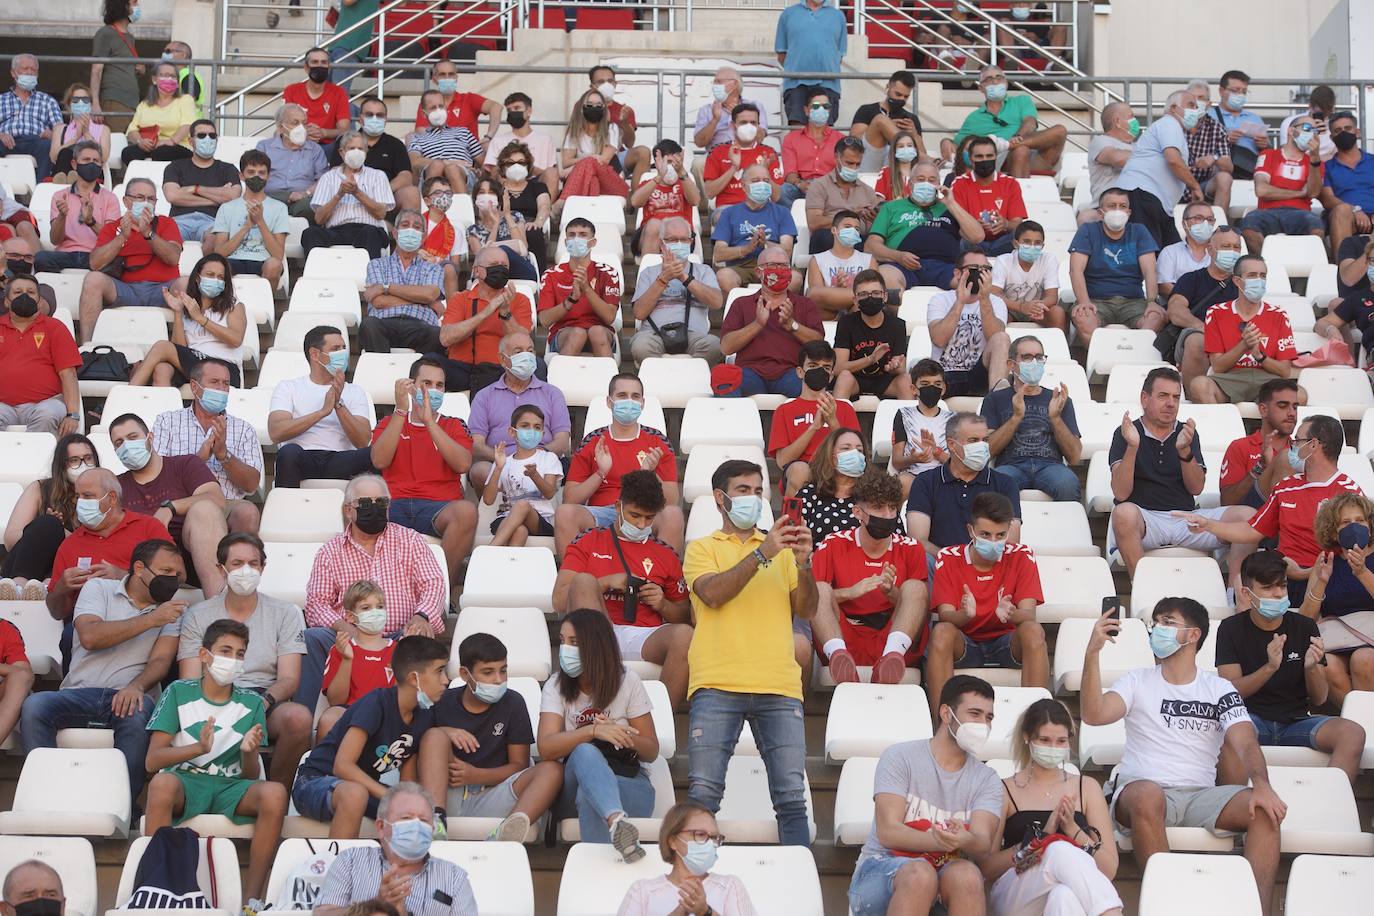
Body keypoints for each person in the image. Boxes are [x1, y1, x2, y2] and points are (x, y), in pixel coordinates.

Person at [1081, 598, 1287, 916]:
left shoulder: (1218, 688)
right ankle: (1165, 906)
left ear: (1193, 636)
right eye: (1156, 623)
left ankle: (1256, 910)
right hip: (1142, 790)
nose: (1157, 630)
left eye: (1167, 623)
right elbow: (1094, 715)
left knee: (1263, 811)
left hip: (1200, 795)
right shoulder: (1137, 680)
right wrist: (1092, 653)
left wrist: (1262, 784)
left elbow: (1246, 742)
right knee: (1147, 794)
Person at [684, 460, 815, 846]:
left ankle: (799, 893)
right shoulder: (701, 548)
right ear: (719, 498)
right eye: (743, 491)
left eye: (759, 491)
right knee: (703, 798)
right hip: (717, 682)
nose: (754, 499)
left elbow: (806, 609)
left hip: (779, 684)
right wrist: (763, 554)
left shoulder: (784, 550)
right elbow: (712, 594)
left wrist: (804, 566)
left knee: (792, 801)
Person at [21, 537, 184, 804]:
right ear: (140, 569)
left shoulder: (171, 610)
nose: (172, 580)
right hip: (79, 692)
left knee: (138, 710)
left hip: (130, 695)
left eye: (177, 575)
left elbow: (161, 661)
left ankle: (124, 807)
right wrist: (151, 619)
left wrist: (136, 686)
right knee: (34, 705)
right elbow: (90, 636)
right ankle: (43, 798)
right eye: (166, 572)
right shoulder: (99, 588)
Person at [146, 618, 286, 905]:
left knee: (274, 792)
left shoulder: (252, 703)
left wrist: (249, 753)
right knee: (161, 784)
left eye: (239, 654)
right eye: (225, 651)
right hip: (186, 783)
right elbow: (152, 760)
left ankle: (252, 901)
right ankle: (154, 890)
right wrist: (197, 748)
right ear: (203, 655)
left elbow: (249, 777)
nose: (232, 660)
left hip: (230, 787)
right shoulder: (178, 692)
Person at [846, 675, 1002, 916]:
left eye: (988, 717)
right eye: (975, 713)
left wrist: (965, 840)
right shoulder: (900, 757)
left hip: (945, 874)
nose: (983, 724)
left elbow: (982, 843)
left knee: (968, 875)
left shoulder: (987, 778)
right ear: (946, 714)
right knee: (920, 873)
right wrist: (942, 840)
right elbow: (888, 832)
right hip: (881, 869)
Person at [297, 475, 448, 711]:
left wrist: (422, 616)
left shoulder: (410, 540)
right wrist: (344, 627)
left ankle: (421, 720)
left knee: (422, 638)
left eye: (381, 503)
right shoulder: (330, 551)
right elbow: (317, 603)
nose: (375, 510)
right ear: (349, 510)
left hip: (401, 636)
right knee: (312, 638)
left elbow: (434, 583)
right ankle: (305, 722)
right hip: (350, 635)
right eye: (365, 504)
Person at [1216, 550, 1366, 784]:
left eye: (1282, 586)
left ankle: (1330, 803)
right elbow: (1230, 692)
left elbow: (1319, 699)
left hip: (1296, 721)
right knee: (1228, 731)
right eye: (1267, 588)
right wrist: (1269, 668)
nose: (1277, 594)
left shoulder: (1304, 626)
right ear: (1247, 592)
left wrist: (1312, 668)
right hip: (1250, 719)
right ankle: (1235, 807)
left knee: (1353, 733)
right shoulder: (1230, 629)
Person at [176, 533, 309, 788]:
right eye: (237, 563)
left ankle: (276, 794)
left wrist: (264, 701)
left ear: (263, 567)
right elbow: (189, 679)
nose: (246, 570)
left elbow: (289, 678)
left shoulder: (285, 613)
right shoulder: (198, 615)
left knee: (299, 718)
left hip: (263, 699)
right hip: (212, 699)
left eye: (253, 563)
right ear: (221, 568)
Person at [1183, 415, 1360, 602]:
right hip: (1281, 579)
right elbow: (1252, 530)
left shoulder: (1349, 495)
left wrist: (1304, 573)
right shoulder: (1286, 486)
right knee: (1245, 593)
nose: (1292, 445)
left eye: (1297, 440)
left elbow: (1356, 553)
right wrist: (1209, 525)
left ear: (1313, 445)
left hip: (1327, 580)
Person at [556, 470, 694, 709]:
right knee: (584, 581)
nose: (641, 524)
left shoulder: (664, 553)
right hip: (598, 630)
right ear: (618, 506)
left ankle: (658, 722)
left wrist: (662, 604)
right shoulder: (588, 540)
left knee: (685, 636)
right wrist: (606, 583)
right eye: (635, 515)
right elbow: (559, 599)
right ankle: (598, 707)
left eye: (649, 518)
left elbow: (685, 614)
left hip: (644, 634)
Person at [291, 637, 448, 838]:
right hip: (314, 783)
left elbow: (406, 778)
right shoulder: (376, 703)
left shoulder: (424, 716)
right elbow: (343, 766)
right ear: (413, 678)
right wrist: (390, 796)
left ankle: (394, 868)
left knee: (412, 812)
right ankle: (339, 865)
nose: (445, 680)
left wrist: (408, 803)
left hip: (359, 789)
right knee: (356, 794)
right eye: (439, 671)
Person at [982, 699, 1123, 916]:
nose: (1053, 748)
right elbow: (987, 867)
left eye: (1060, 741)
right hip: (1016, 892)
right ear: (1027, 736)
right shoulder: (1004, 789)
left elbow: (1109, 869)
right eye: (1045, 740)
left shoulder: (1086, 787)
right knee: (1057, 848)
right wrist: (1041, 838)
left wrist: (1073, 831)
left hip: (1068, 895)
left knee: (1063, 896)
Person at [538, 608, 659, 857]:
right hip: (570, 789)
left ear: (595, 646)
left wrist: (620, 733)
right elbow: (546, 747)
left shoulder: (628, 681)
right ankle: (616, 822)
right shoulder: (555, 685)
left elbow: (651, 750)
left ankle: (610, 841)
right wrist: (594, 731)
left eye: (574, 642)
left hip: (629, 784)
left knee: (591, 793)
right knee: (585, 751)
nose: (565, 650)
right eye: (562, 641)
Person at [418, 632, 561, 842]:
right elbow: (420, 749)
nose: (498, 680)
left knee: (552, 770)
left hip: (495, 791)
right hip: (446, 793)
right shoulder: (442, 700)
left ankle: (505, 832)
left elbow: (519, 765)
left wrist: (474, 775)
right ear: (465, 674)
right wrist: (444, 732)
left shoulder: (513, 702)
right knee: (433, 736)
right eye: (488, 672)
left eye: (503, 671)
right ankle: (435, 822)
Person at [1107, 367, 1239, 576]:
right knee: (1123, 513)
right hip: (1145, 520)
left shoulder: (1186, 433)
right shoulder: (1125, 432)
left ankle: (1234, 593)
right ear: (1144, 398)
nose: (1171, 403)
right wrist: (1132, 447)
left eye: (1176, 397)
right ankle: (1143, 588)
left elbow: (1196, 488)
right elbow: (1121, 493)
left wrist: (1184, 451)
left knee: (1246, 517)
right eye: (1163, 396)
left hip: (1185, 519)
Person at [369, 357, 478, 596]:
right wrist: (401, 410)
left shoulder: (454, 425)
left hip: (438, 508)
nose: (434, 390)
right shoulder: (389, 422)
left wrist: (430, 422)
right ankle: (371, 594)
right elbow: (379, 460)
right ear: (411, 386)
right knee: (357, 507)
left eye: (440, 385)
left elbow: (462, 464)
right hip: (393, 504)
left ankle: (441, 594)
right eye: (427, 383)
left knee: (467, 511)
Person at [928, 492, 1047, 708]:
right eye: (985, 534)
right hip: (965, 643)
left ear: (1009, 531)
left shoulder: (1022, 554)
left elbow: (1029, 615)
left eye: (1000, 535)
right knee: (941, 632)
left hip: (1007, 643)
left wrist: (1011, 613)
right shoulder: (948, 556)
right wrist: (965, 615)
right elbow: (945, 615)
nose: (993, 542)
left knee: (1033, 631)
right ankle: (942, 724)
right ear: (970, 530)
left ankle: (1036, 722)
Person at [812, 467, 929, 685]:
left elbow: (918, 608)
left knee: (915, 587)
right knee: (819, 589)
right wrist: (850, 592)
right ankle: (839, 658)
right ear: (857, 513)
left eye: (893, 508)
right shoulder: (833, 543)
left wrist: (892, 593)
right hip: (844, 635)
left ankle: (890, 659)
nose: (887, 515)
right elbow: (811, 601)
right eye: (878, 507)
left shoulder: (911, 548)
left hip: (892, 635)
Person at [556, 374, 683, 557]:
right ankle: (571, 580)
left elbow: (671, 501)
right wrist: (601, 472)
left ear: (643, 402)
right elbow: (570, 499)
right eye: (622, 396)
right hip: (601, 514)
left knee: (673, 515)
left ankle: (662, 581)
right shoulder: (593, 441)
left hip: (643, 513)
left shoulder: (658, 441)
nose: (629, 401)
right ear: (609, 402)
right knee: (564, 513)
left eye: (635, 396)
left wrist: (649, 474)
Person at [108, 413, 228, 598]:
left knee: (205, 509)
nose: (126, 446)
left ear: (150, 437)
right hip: (144, 564)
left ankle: (217, 605)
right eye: (119, 443)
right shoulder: (116, 486)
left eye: (132, 437)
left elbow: (216, 499)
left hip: (193, 553)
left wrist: (170, 508)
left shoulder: (184, 464)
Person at [313, 782, 479, 916]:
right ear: (381, 827)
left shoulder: (454, 878)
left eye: (423, 820)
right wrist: (375, 906)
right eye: (406, 818)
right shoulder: (350, 861)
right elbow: (322, 914)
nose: (416, 826)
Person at [45, 468, 172, 628]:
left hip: (146, 618)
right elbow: (56, 613)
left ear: (112, 498)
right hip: (89, 625)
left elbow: (174, 577)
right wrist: (62, 588)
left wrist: (123, 577)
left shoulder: (148, 527)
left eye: (88, 496)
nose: (80, 502)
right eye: (78, 496)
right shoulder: (69, 545)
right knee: (70, 634)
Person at [151, 357, 264, 533]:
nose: (221, 389)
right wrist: (196, 461)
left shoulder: (244, 429)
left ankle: (238, 559)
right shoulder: (167, 422)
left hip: (227, 504)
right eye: (214, 382)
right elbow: (156, 475)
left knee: (247, 512)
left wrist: (224, 455)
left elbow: (251, 485)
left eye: (225, 384)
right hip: (180, 502)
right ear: (195, 387)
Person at [267, 325, 376, 488]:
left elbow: (362, 440)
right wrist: (322, 412)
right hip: (303, 457)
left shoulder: (355, 391)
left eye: (344, 348)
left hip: (341, 459)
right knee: (288, 452)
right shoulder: (289, 387)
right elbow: (276, 432)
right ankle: (287, 508)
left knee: (374, 455)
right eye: (335, 349)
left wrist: (339, 405)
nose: (343, 353)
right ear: (315, 354)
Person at [76, 178, 183, 343]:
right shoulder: (113, 228)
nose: (146, 203)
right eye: (140, 198)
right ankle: (86, 347)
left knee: (186, 283)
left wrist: (148, 233)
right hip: (126, 290)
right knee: (92, 279)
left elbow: (173, 257)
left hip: (163, 291)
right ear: (126, 201)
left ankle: (183, 348)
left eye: (151, 199)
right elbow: (95, 264)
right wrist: (121, 238)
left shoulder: (167, 223)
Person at [465, 331, 572, 491]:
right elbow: (477, 445)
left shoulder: (552, 393)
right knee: (480, 471)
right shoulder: (485, 396)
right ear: (502, 359)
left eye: (530, 351)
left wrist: (538, 456)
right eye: (518, 352)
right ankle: (496, 514)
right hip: (500, 462)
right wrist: (507, 460)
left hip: (542, 461)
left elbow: (562, 441)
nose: (527, 356)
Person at [982, 335, 1081, 501]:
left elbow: (1074, 456)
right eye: (1027, 357)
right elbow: (987, 451)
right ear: (1011, 364)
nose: (1034, 362)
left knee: (1068, 484)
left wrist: (1055, 418)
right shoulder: (994, 399)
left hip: (1051, 465)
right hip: (1011, 466)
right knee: (996, 483)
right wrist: (1016, 417)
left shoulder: (1059, 399)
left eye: (1039, 357)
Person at [907, 412, 1023, 551]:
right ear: (951, 444)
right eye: (973, 440)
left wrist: (971, 566)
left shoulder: (1005, 484)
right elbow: (918, 541)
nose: (982, 446)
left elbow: (1011, 542)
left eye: (985, 440)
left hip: (990, 564)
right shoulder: (925, 482)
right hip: (939, 563)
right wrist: (954, 562)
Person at [718, 246, 824, 397]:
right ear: (758, 272)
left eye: (784, 266)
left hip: (792, 373)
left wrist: (792, 325)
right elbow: (726, 347)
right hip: (751, 373)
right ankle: (734, 421)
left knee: (811, 384)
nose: (779, 270)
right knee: (725, 379)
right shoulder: (741, 303)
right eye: (773, 265)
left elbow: (819, 345)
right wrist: (757, 324)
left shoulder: (805, 304)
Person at [2, 434, 100, 596]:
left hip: (72, 569)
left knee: (54, 529)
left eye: (88, 458)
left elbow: (98, 545)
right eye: (74, 460)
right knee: (48, 524)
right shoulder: (40, 488)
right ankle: (18, 587)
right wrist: (44, 531)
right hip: (25, 567)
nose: (83, 465)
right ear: (61, 465)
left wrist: (62, 533)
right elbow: (11, 539)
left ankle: (46, 587)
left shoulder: (104, 494)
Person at [1192, 255, 1298, 405]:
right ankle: (1219, 428)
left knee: (1300, 395)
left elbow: (1285, 371)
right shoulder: (1216, 312)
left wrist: (1259, 355)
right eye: (1252, 275)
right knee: (1199, 385)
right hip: (1230, 379)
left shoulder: (1278, 315)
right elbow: (1218, 366)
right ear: (1237, 281)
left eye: (1263, 276)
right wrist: (1244, 345)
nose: (1259, 280)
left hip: (1268, 381)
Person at [865, 159, 985, 290]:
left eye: (932, 180)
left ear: (939, 185)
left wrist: (951, 204)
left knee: (972, 282)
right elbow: (871, 246)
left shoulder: (949, 208)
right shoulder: (891, 207)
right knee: (885, 278)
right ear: (910, 184)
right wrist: (898, 256)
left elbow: (977, 236)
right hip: (901, 266)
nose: (926, 183)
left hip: (946, 267)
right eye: (920, 179)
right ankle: (894, 311)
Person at [129, 254, 247, 388]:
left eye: (220, 277)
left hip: (224, 367)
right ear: (197, 278)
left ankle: (126, 398)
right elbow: (180, 350)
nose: (216, 280)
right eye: (210, 275)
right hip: (195, 365)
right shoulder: (190, 307)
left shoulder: (234, 306)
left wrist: (201, 319)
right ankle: (164, 409)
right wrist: (178, 312)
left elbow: (236, 339)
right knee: (162, 369)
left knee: (162, 346)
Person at [620, 800, 757, 914]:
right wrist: (681, 911)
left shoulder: (729, 886)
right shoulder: (642, 891)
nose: (710, 843)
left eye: (714, 837)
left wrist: (706, 912)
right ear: (673, 841)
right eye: (700, 834)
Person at [1303, 493, 1374, 704]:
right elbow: (1306, 618)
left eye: (1360, 520)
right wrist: (1321, 581)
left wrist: (1361, 572)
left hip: (1370, 640)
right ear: (1334, 531)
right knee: (1328, 666)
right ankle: (1357, 726)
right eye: (1345, 522)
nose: (1354, 527)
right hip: (1339, 639)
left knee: (1364, 660)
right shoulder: (1327, 560)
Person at [1068, 187, 1163, 344]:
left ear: (1129, 212)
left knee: (1155, 318)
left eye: (1123, 206)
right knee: (1083, 318)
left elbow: (1150, 271)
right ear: (1100, 212)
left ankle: (1135, 361)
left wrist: (1152, 301)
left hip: (1134, 301)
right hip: (1096, 300)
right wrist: (1084, 301)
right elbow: (1075, 270)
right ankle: (1099, 364)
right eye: (1112, 206)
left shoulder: (1139, 231)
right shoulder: (1088, 231)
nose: (1118, 210)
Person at [1115, 89, 1207, 248]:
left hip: (1156, 202)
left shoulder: (1173, 128)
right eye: (1190, 105)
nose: (1195, 110)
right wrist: (1195, 186)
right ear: (1173, 108)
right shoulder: (1169, 123)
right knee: (1149, 254)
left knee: (1171, 253)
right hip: (1142, 195)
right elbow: (1173, 159)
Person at [768, 341, 860, 496]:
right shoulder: (784, 410)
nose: (819, 371)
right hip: (800, 468)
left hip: (837, 469)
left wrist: (833, 423)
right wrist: (814, 427)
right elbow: (783, 461)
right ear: (800, 372)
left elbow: (856, 457)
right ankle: (792, 521)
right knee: (800, 470)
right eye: (812, 366)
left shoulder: (844, 408)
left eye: (826, 368)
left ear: (831, 376)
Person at [629, 216, 723, 366]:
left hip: (694, 334)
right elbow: (639, 313)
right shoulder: (648, 272)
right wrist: (663, 279)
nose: (679, 244)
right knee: (641, 346)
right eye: (672, 240)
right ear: (661, 243)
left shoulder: (703, 270)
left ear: (691, 242)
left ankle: (688, 375)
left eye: (684, 239)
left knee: (715, 346)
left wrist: (684, 277)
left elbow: (717, 302)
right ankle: (663, 379)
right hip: (655, 333)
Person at [438, 246, 532, 393]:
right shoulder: (460, 299)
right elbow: (445, 338)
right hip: (461, 368)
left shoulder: (520, 300)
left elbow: (522, 344)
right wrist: (485, 313)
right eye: (494, 265)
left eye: (505, 266)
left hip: (501, 370)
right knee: (427, 362)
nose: (500, 269)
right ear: (476, 271)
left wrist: (505, 312)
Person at [948, 66, 1067, 179]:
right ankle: (1019, 195)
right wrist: (945, 142)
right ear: (981, 88)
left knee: (1060, 130)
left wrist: (1017, 137)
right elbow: (958, 144)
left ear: (1006, 83)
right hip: (1001, 161)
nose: (995, 82)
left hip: (1033, 155)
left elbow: (1030, 122)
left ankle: (1006, 145)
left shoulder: (1021, 100)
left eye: (999, 77)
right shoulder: (974, 118)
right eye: (989, 79)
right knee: (1021, 150)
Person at [0, 275, 80, 435]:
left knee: (47, 414)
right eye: (17, 292)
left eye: (30, 292)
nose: (24, 296)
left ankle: (35, 459)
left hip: (46, 403)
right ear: (7, 301)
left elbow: (68, 374)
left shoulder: (55, 327)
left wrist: (73, 414)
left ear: (39, 300)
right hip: (2, 405)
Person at [1166, 225, 1244, 387]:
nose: (1232, 252)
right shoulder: (1191, 279)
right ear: (1210, 250)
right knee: (1198, 341)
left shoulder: (1245, 284)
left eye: (1236, 247)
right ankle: (1192, 397)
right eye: (1225, 247)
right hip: (1199, 332)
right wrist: (1202, 326)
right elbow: (1175, 310)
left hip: (1236, 335)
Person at [926, 250, 1011, 396]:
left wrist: (984, 299)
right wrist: (960, 301)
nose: (980, 274)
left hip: (980, 374)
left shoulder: (996, 303)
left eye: (986, 269)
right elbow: (939, 340)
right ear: (958, 274)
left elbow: (995, 338)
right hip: (944, 375)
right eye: (974, 269)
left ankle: (998, 401)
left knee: (1002, 338)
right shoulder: (940, 300)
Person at [319, 581, 396, 740]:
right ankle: (323, 764)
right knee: (329, 719)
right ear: (350, 617)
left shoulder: (399, 650)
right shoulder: (340, 649)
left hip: (387, 717)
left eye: (380, 607)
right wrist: (347, 659)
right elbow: (335, 701)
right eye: (366, 608)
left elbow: (402, 696)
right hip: (349, 714)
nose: (375, 613)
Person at [359, 211, 445, 354]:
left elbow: (429, 294)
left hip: (420, 325)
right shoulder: (377, 264)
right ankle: (382, 372)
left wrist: (386, 287)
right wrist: (422, 301)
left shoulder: (433, 268)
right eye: (405, 225)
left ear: (424, 237)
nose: (411, 230)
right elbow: (379, 301)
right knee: (368, 325)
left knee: (437, 334)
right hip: (384, 323)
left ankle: (419, 374)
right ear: (395, 233)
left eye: (416, 227)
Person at [1241, 114, 1326, 256]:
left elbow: (1313, 192)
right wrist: (1299, 193)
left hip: (1301, 214)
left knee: (1316, 227)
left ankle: (1301, 268)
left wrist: (1315, 159)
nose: (1311, 133)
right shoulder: (1268, 154)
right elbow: (1261, 190)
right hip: (1267, 212)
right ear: (1291, 131)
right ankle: (1268, 265)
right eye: (1306, 128)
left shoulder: (1316, 163)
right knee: (1249, 225)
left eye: (1315, 131)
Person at [304, 130, 395, 259]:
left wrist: (357, 193)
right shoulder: (328, 178)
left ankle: (371, 277)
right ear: (342, 152)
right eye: (352, 148)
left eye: (360, 149)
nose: (356, 152)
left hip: (368, 229)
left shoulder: (378, 176)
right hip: (336, 230)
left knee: (370, 233)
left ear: (366, 152)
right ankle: (318, 277)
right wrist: (338, 195)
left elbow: (381, 213)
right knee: (311, 233)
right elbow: (319, 219)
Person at [205, 150, 288, 289]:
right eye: (251, 172)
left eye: (262, 173)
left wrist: (260, 221)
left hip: (263, 260)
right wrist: (246, 227)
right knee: (217, 266)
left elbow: (278, 255)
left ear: (269, 176)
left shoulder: (279, 208)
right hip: (233, 259)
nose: (257, 176)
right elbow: (219, 252)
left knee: (274, 265)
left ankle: (265, 306)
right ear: (241, 175)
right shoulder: (227, 208)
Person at [537, 219, 621, 358]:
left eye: (583, 235)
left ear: (593, 242)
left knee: (597, 332)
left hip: (601, 332)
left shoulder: (608, 272)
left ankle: (609, 379)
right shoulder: (551, 274)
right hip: (564, 332)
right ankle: (560, 379)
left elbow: (609, 317)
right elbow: (545, 320)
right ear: (565, 242)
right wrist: (571, 300)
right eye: (572, 235)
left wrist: (586, 289)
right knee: (578, 333)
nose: (576, 239)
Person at [711, 162, 798, 295]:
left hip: (774, 266)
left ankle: (775, 311)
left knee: (795, 279)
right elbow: (718, 254)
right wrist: (746, 249)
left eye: (766, 181)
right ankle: (743, 310)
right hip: (740, 266)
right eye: (756, 181)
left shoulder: (783, 212)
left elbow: (787, 251)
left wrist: (765, 245)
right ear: (744, 186)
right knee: (724, 277)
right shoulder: (729, 213)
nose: (762, 185)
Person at [481, 404, 562, 547]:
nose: (531, 431)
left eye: (537, 427)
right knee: (520, 531)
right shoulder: (504, 461)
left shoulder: (549, 458)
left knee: (522, 505)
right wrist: (498, 468)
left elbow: (549, 493)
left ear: (542, 433)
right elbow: (488, 500)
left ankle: (488, 551)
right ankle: (508, 568)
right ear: (512, 432)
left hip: (540, 521)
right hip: (506, 519)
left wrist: (534, 475)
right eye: (525, 426)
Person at [1218, 378, 1299, 509]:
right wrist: (1260, 466)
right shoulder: (1240, 447)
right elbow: (1227, 502)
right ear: (1263, 410)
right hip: (1251, 521)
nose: (1291, 413)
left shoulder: (1301, 450)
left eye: (1295, 407)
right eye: (1283, 406)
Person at [833, 270, 913, 401]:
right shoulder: (846, 322)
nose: (870, 298)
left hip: (885, 380)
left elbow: (901, 369)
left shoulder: (897, 325)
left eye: (876, 293)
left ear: (885, 296)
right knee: (844, 378)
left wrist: (894, 367)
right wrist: (871, 359)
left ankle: (911, 421)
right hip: (855, 379)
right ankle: (836, 420)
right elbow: (839, 368)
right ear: (855, 300)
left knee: (905, 380)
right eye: (864, 294)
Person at [34, 139, 115, 270]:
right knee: (41, 258)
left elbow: (111, 239)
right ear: (74, 164)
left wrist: (91, 222)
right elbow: (55, 240)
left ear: (101, 165)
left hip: (96, 256)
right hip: (66, 254)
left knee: (116, 263)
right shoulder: (60, 196)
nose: (91, 164)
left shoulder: (110, 198)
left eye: (95, 161)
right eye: (86, 160)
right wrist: (62, 216)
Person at [161, 119, 242, 242]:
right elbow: (172, 196)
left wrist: (195, 189)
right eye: (201, 135)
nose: (207, 139)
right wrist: (216, 199)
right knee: (166, 241)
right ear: (190, 141)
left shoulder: (228, 169)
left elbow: (233, 198)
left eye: (212, 135)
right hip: (179, 221)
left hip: (213, 222)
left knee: (215, 238)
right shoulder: (175, 167)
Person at [336, 97, 420, 212]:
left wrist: (382, 191)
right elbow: (335, 171)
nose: (374, 118)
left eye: (379, 115)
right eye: (369, 115)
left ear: (385, 119)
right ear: (361, 119)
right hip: (349, 196)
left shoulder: (395, 144)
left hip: (386, 199)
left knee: (411, 193)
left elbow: (406, 176)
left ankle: (405, 228)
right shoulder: (345, 141)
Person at [803, 137, 883, 255]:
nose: (854, 168)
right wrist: (851, 216)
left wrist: (873, 218)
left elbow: (873, 231)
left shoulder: (867, 191)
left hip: (859, 241)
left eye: (858, 164)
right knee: (823, 236)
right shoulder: (819, 186)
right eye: (849, 163)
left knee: (875, 242)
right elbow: (814, 223)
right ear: (836, 158)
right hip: (829, 239)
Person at [951, 135, 1028, 256]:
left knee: (1025, 231)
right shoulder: (959, 183)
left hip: (1003, 241)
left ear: (996, 157)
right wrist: (975, 226)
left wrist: (1005, 224)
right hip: (972, 242)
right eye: (979, 156)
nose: (985, 160)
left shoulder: (1010, 183)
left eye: (989, 156)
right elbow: (958, 224)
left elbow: (1017, 223)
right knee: (963, 235)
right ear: (971, 159)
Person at [774, 0, 847, 126]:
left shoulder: (838, 16)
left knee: (825, 132)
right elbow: (781, 53)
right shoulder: (788, 14)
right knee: (797, 131)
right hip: (796, 84)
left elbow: (839, 55)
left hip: (829, 84)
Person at [702, 105, 783, 212]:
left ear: (758, 126)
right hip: (728, 209)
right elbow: (709, 193)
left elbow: (776, 197)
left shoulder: (768, 153)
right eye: (743, 122)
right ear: (732, 125)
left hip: (761, 209)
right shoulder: (718, 151)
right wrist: (734, 168)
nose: (749, 127)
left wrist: (764, 173)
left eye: (753, 123)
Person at [256, 105, 328, 220]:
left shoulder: (315, 149)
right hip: (271, 198)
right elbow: (256, 176)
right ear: (280, 127)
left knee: (313, 207)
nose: (301, 128)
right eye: (295, 123)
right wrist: (287, 196)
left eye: (304, 123)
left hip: (302, 200)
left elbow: (323, 179)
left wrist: (306, 193)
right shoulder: (264, 147)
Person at [990, 220, 1065, 331]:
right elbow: (995, 294)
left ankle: (1057, 347)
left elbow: (1052, 297)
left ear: (1043, 245)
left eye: (1037, 243)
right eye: (1027, 242)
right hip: (1009, 308)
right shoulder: (1003, 260)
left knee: (1057, 312)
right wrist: (1021, 307)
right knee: (996, 314)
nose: (1032, 246)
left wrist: (1035, 308)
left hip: (1037, 310)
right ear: (1016, 244)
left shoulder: (1049, 259)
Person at [557, 88, 630, 202]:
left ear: (604, 109)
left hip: (613, 184)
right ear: (581, 108)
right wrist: (591, 157)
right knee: (593, 181)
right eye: (589, 105)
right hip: (587, 182)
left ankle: (561, 203)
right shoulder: (574, 132)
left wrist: (578, 164)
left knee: (591, 164)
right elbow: (566, 162)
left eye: (598, 105)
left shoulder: (611, 129)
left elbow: (603, 161)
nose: (594, 108)